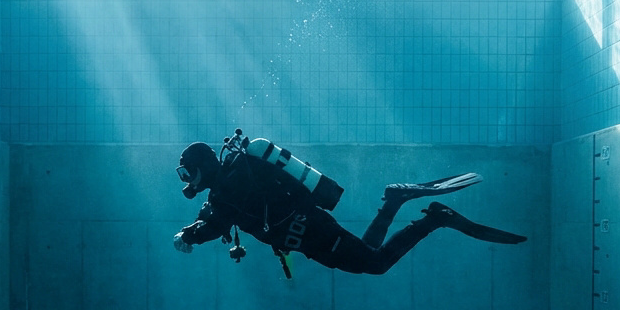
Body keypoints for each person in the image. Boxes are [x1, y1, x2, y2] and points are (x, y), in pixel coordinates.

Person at [172, 131, 525, 277]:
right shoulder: (233, 180)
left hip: (311, 232)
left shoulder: (230, 186)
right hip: (308, 233)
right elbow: (215, 216)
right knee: (369, 252)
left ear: (203, 167)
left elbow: (217, 222)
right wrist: (191, 230)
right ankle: (394, 199)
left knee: (375, 264)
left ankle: (434, 218)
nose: (188, 181)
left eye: (188, 173)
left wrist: (188, 238)